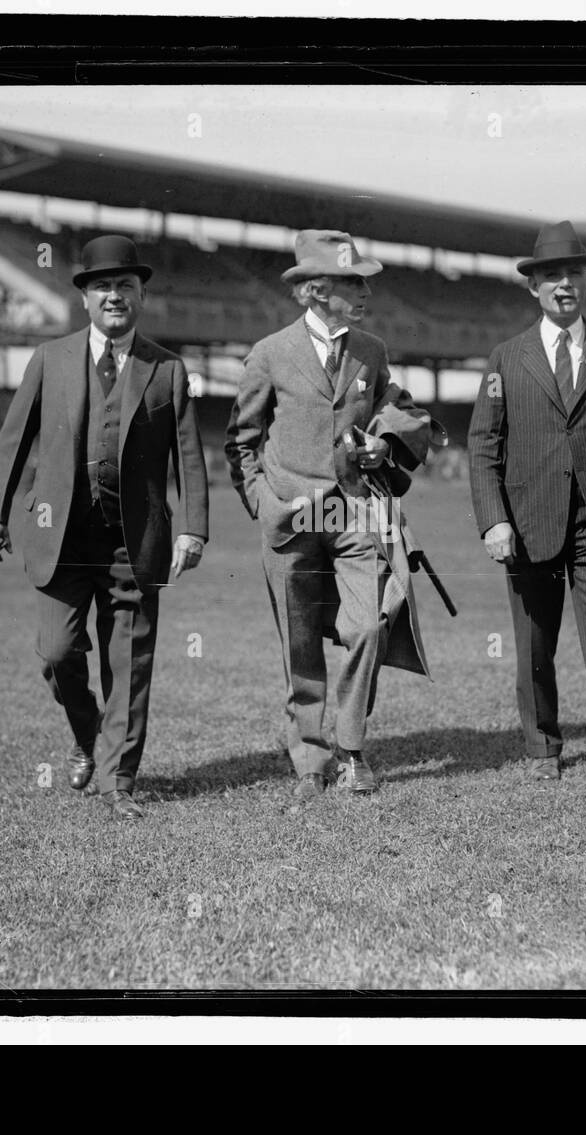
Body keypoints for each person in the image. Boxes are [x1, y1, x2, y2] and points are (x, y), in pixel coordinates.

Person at [0, 235, 209, 820]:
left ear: (141, 296)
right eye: (103, 286)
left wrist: (194, 529)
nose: (114, 296)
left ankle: (117, 784)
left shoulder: (168, 370)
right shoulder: (49, 359)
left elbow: (190, 455)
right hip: (62, 537)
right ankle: (87, 734)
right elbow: (13, 441)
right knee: (57, 652)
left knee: (129, 664)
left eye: (125, 286)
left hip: (137, 541)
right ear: (84, 297)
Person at [225, 230, 433, 804]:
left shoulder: (372, 350)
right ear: (316, 290)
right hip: (289, 521)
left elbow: (399, 409)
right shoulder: (269, 353)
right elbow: (240, 442)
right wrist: (266, 506)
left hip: (354, 514)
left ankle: (352, 749)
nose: (366, 291)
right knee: (300, 646)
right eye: (352, 282)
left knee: (368, 626)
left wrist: (385, 445)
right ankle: (312, 760)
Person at [468, 221, 586, 791]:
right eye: (552, 276)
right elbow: (483, 445)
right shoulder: (506, 359)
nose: (564, 284)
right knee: (534, 644)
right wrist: (494, 520)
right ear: (534, 288)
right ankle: (543, 745)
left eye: (574, 273)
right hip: (527, 524)